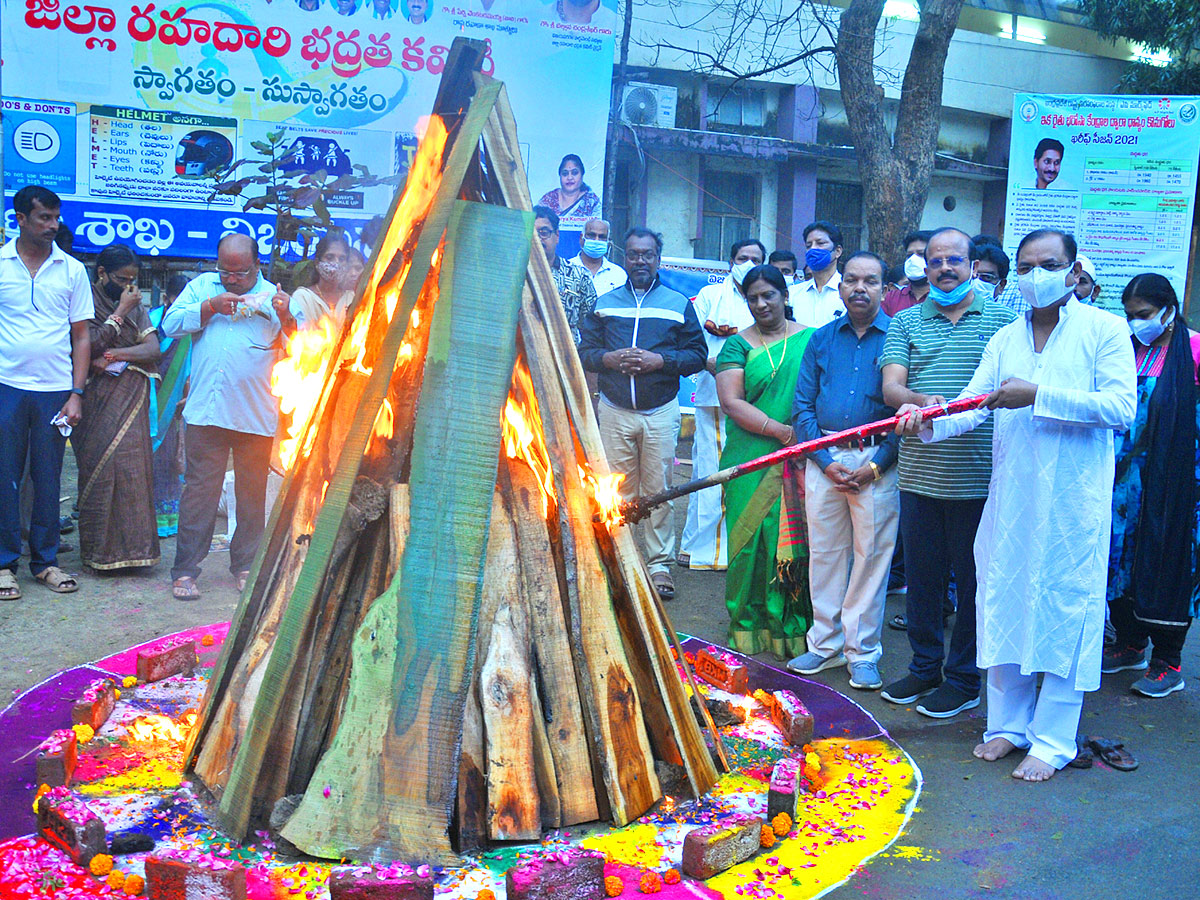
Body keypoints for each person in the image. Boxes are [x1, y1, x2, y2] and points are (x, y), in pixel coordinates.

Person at [898, 228, 1136, 780]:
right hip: (1011, 499)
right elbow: (973, 405)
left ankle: (1052, 741)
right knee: (1004, 601)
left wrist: (1039, 396)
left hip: (1073, 504)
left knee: (1062, 608)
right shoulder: (1005, 338)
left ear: (1074, 271)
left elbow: (1120, 406)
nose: (1035, 276)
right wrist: (926, 419)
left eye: (1047, 264)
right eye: (1025, 266)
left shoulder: (1106, 330)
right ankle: (1005, 725)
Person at [878, 227, 1018, 718]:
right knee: (923, 580)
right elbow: (892, 386)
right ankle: (923, 667)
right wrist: (921, 402)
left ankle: (963, 679)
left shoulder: (1005, 321)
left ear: (971, 262)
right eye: (934, 261)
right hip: (919, 475)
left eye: (953, 259)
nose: (944, 268)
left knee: (975, 582)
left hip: (982, 480)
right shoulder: (907, 322)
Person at [789, 251, 900, 690]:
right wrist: (825, 461)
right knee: (827, 554)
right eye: (851, 279)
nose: (859, 288)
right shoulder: (820, 339)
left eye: (870, 281)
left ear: (884, 289)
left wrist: (876, 466)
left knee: (872, 558)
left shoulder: (898, 337)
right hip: (826, 460)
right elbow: (803, 406)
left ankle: (863, 653)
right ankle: (825, 645)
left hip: (877, 463)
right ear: (839, 286)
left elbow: (904, 414)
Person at [579, 227, 707, 601]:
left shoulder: (678, 303)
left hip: (659, 411)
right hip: (615, 409)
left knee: (658, 490)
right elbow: (585, 350)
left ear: (658, 259)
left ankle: (658, 564)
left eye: (647, 254)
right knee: (615, 487)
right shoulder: (605, 303)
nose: (640, 261)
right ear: (625, 257)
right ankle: (618, 557)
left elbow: (696, 356)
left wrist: (659, 361)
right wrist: (608, 359)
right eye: (633, 254)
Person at [162, 234, 290, 600]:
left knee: (251, 495)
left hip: (255, 413)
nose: (231, 279)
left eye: (240, 273)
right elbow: (170, 325)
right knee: (200, 493)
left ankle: (245, 566)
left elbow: (304, 346)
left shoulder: (275, 297)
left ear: (257, 266)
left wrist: (284, 314)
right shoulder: (203, 286)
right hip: (207, 411)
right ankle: (185, 571)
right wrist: (210, 307)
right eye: (225, 271)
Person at [1104, 273, 1200, 698]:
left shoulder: (1194, 350)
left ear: (1168, 310)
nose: (1134, 323)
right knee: (1118, 558)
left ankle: (1168, 660)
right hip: (1124, 479)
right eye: (1128, 315)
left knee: (1167, 557)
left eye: (1142, 315)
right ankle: (1129, 643)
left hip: (1176, 481)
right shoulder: (1128, 350)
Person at [715, 264, 814, 657]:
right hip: (750, 454)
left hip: (799, 455)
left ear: (784, 296)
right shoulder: (737, 345)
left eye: (768, 295)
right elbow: (731, 402)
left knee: (789, 543)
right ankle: (746, 626)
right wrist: (779, 431)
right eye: (752, 297)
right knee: (747, 542)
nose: (761, 304)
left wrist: (798, 438)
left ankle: (790, 627)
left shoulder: (811, 339)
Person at [0, 186, 92, 601]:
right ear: (20, 218)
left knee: (49, 476)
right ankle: (4, 565)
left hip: (55, 391)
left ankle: (46, 563)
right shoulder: (0, 264)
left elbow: (81, 336)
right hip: (6, 388)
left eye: (56, 218)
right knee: (5, 477)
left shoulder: (72, 270)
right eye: (44, 218)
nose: (53, 226)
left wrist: (76, 393)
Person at [73, 244, 162, 571]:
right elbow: (87, 345)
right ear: (101, 273)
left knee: (132, 471)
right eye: (122, 279)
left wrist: (114, 356)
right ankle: (99, 553)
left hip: (130, 395)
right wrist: (120, 312)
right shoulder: (86, 301)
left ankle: (137, 553)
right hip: (93, 399)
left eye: (133, 280)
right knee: (99, 470)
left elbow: (152, 349)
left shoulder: (137, 306)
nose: (129, 286)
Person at [680, 238, 762, 571]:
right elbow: (691, 341)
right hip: (714, 397)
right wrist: (714, 364)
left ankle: (736, 546)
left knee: (745, 473)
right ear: (731, 262)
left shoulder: (764, 297)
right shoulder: (711, 297)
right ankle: (705, 550)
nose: (749, 263)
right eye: (743, 257)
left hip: (756, 400)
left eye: (756, 258)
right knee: (709, 471)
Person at [150, 274, 191, 538]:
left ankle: (167, 521)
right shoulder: (151, 321)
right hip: (147, 400)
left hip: (177, 404)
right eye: (179, 300)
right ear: (167, 299)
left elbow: (192, 366)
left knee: (169, 460)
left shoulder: (193, 326)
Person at [534, 206, 598, 346]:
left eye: (543, 232)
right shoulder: (515, 275)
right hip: (522, 360)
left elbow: (590, 328)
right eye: (532, 233)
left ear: (557, 236)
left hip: (566, 358)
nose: (538, 238)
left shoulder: (579, 276)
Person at [291, 231, 354, 331]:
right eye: (330, 257)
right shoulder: (303, 297)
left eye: (341, 259)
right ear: (317, 263)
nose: (336, 263)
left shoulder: (351, 298)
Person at [789, 221, 844, 328]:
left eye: (820, 243)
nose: (813, 249)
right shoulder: (793, 294)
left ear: (837, 251)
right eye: (809, 246)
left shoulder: (849, 293)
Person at [569, 218, 627, 296]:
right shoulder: (567, 269)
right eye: (592, 235)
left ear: (608, 241)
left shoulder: (619, 275)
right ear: (581, 238)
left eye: (602, 237)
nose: (596, 240)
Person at [882, 231, 933, 316]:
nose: (913, 260)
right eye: (909, 255)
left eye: (920, 254)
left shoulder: (945, 298)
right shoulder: (890, 299)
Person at [538, 154, 602, 220]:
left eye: (574, 173)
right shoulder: (549, 199)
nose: (569, 177)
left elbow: (598, 227)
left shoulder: (591, 202)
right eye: (565, 174)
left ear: (582, 175)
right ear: (560, 176)